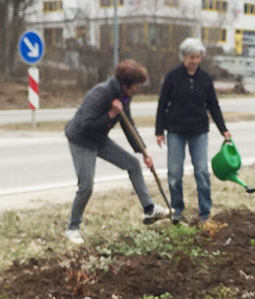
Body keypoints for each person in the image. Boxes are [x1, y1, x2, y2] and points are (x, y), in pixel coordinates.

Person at [64, 59, 169, 245]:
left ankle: (149, 208)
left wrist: (143, 151)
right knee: (86, 186)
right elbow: (86, 126)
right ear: (125, 84)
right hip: (81, 140)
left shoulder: (125, 96)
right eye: (136, 86)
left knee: (133, 165)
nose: (138, 89)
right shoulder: (101, 93)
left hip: (99, 138)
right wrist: (111, 114)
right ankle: (73, 228)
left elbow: (129, 125)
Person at [155, 38, 231, 225]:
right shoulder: (173, 77)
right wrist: (159, 131)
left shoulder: (205, 79)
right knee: (174, 173)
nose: (195, 61)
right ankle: (177, 210)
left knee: (202, 171)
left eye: (198, 57)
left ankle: (205, 211)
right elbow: (162, 104)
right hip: (176, 131)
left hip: (199, 131)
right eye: (191, 57)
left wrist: (224, 129)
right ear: (183, 57)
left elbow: (213, 105)